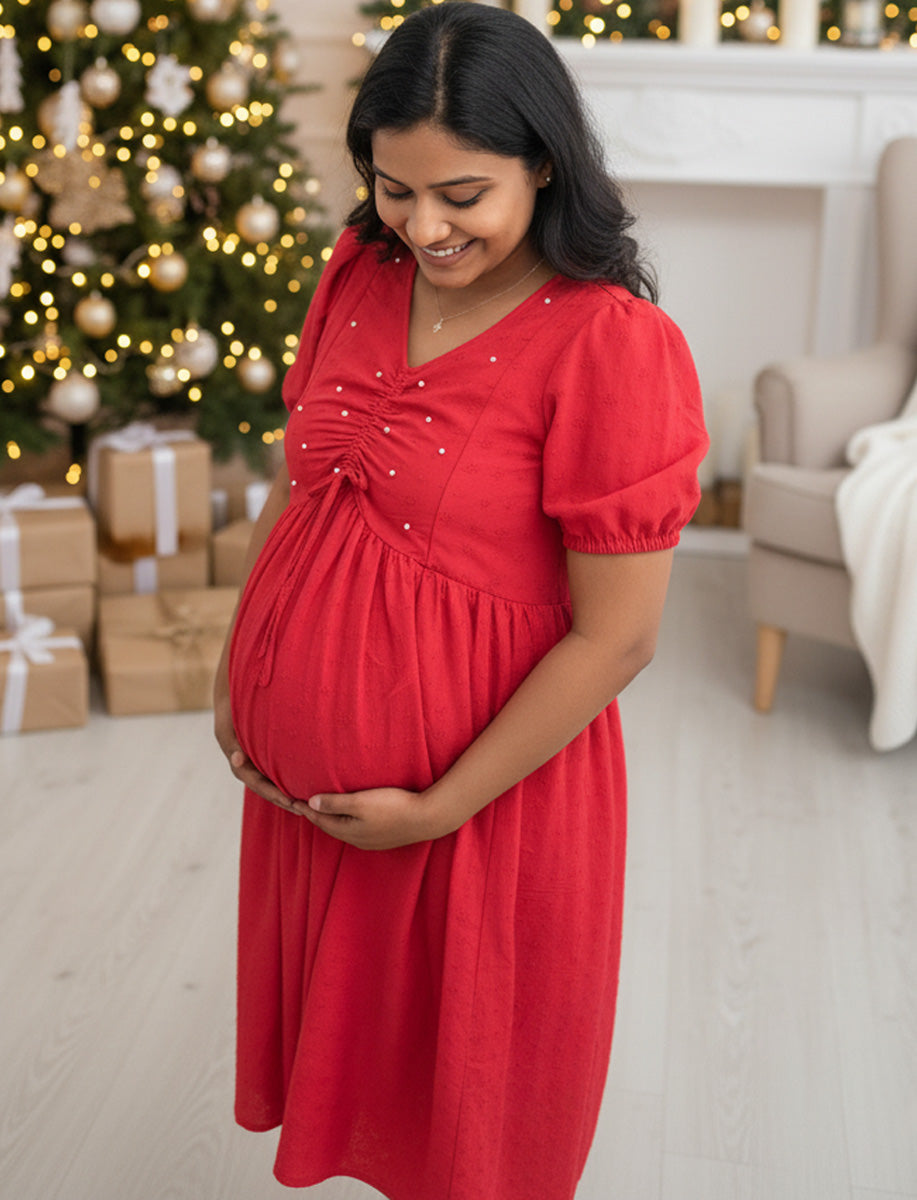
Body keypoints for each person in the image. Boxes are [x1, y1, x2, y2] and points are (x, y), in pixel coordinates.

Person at [214, 4, 708, 1198]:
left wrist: (436, 808)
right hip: (318, 808)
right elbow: (307, 489)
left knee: (468, 1126)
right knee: (365, 1093)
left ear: (542, 163)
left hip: (480, 812)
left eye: (462, 197)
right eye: (394, 188)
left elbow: (619, 635)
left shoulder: (611, 347)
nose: (421, 227)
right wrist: (239, 670)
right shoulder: (360, 273)